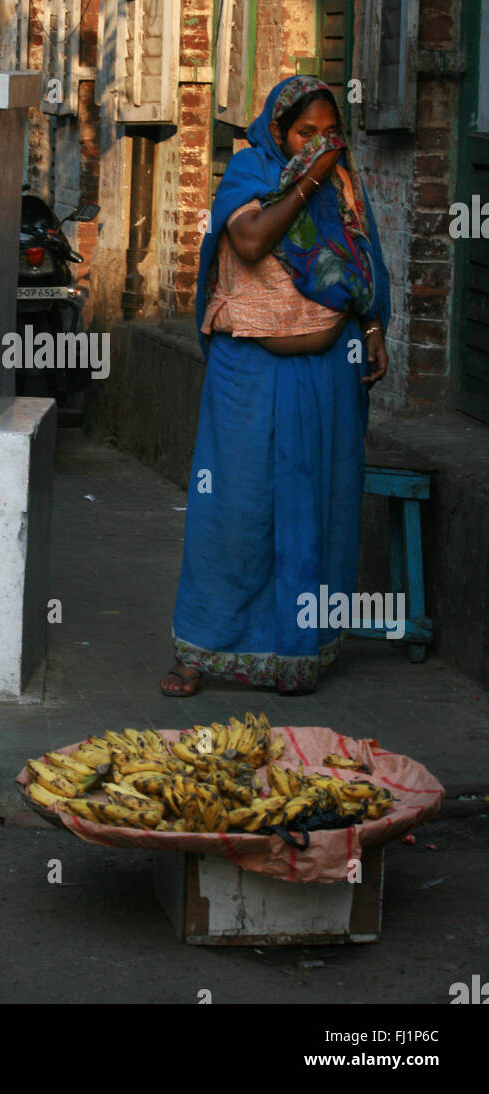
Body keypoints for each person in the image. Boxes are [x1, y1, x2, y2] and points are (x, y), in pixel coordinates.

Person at [160, 75, 390, 697]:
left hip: (326, 372)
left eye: (327, 134)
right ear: (279, 131)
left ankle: (297, 652)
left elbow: (365, 262)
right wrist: (309, 176)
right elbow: (254, 240)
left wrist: (373, 329)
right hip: (251, 375)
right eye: (303, 133)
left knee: (313, 502)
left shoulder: (344, 188)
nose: (316, 144)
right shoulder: (249, 171)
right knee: (236, 507)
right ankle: (199, 650)